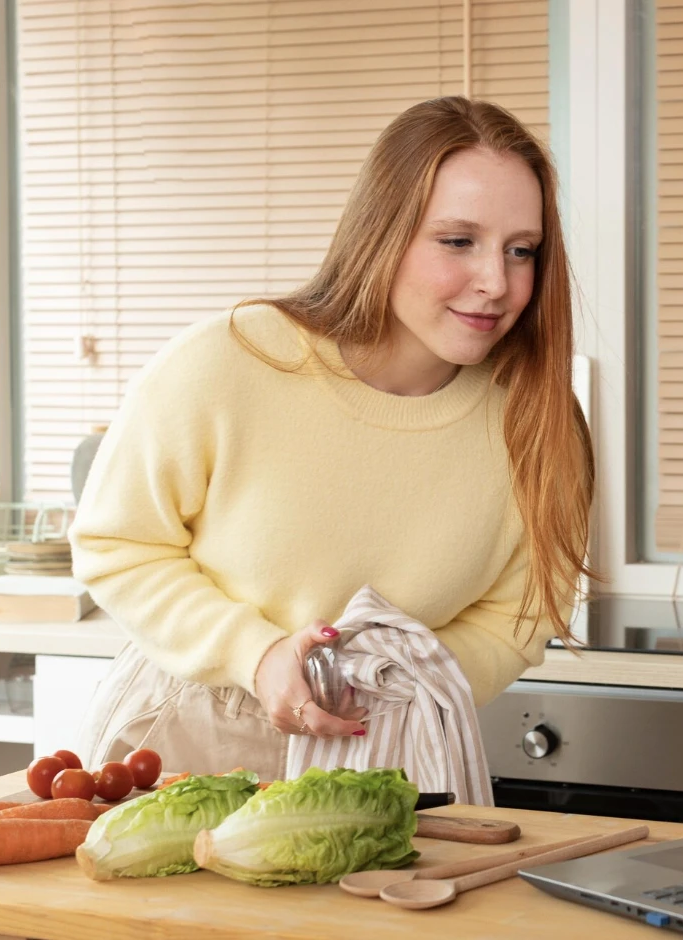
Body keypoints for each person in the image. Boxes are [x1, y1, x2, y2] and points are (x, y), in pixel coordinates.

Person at [68, 97, 594, 782]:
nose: (496, 282)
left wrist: (386, 686)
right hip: (190, 746)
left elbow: (517, 617)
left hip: (397, 752)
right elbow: (118, 545)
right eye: (458, 241)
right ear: (382, 234)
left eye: (521, 250)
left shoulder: (539, 421)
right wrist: (255, 654)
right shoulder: (227, 364)